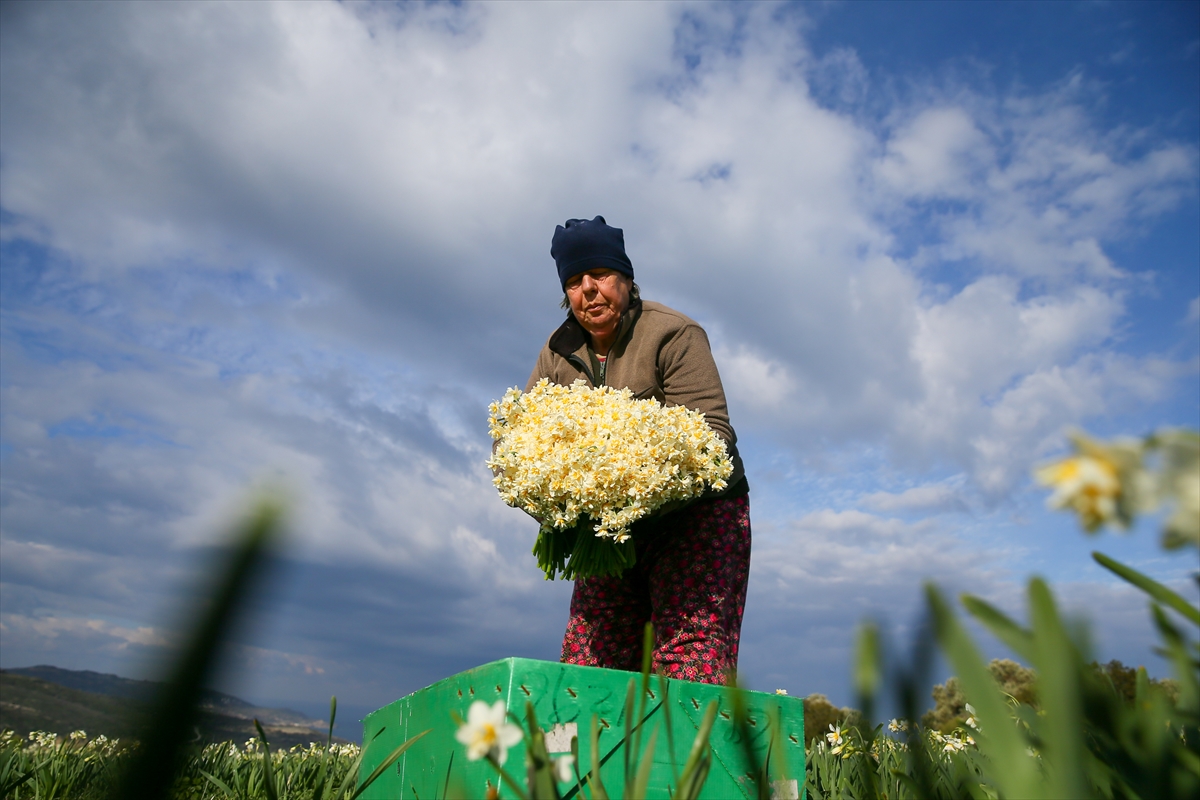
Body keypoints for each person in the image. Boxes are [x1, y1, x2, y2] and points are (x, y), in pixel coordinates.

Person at [525, 216, 751, 684]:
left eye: (601, 275)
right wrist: (550, 495)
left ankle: (689, 758)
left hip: (697, 517)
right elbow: (522, 437)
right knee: (592, 663)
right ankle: (595, 758)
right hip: (608, 530)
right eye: (573, 281)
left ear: (626, 279)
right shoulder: (556, 350)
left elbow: (714, 434)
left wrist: (640, 479)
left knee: (687, 659)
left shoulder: (673, 333)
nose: (588, 290)